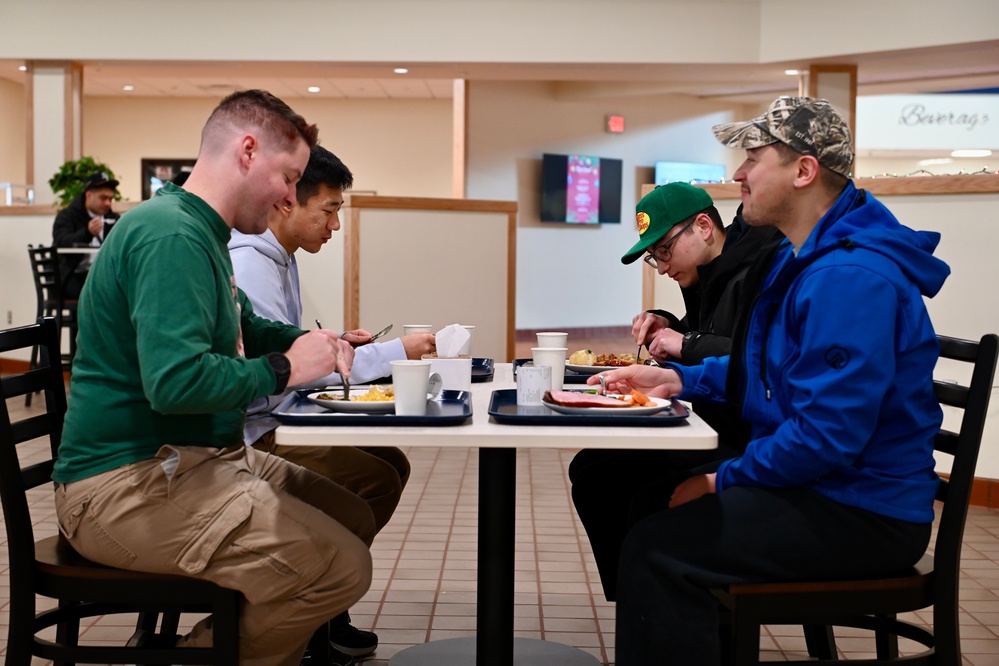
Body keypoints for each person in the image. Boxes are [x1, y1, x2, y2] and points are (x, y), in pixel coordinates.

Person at [601, 96, 951, 665]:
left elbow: (827, 436)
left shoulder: (848, 276)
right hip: (837, 487)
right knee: (646, 504)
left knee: (655, 548)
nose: (738, 174)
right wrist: (681, 380)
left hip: (865, 510)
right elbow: (772, 372)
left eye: (754, 158)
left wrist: (724, 480)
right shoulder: (809, 260)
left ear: (804, 171)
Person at [52, 89, 376, 666]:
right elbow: (175, 385)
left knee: (350, 514)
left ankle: (249, 635)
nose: (289, 196)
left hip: (189, 459)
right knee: (339, 568)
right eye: (288, 177)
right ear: (248, 151)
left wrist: (304, 342)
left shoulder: (201, 228)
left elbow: (245, 325)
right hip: (122, 482)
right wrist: (284, 369)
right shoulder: (170, 235)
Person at [229, 144, 435, 661]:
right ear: (286, 203)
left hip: (267, 416)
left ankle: (325, 597)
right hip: (250, 432)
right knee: (373, 477)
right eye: (329, 211)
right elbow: (287, 371)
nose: (334, 227)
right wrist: (391, 354)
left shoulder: (277, 258)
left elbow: (286, 345)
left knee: (388, 462)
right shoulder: (250, 264)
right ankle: (319, 604)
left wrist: (339, 342)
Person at [568, 183, 782, 601]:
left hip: (745, 434)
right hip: (715, 420)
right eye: (655, 257)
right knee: (594, 469)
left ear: (703, 226)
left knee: (628, 491)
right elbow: (709, 331)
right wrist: (666, 322)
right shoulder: (713, 271)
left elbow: (756, 355)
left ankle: (658, 603)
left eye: (663, 251)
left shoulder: (757, 269)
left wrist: (685, 344)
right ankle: (640, 606)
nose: (662, 267)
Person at [51, 171, 120, 297]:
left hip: (103, 275)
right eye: (103, 198)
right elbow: (61, 242)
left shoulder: (113, 218)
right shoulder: (68, 216)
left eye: (110, 199)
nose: (108, 203)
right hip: (72, 276)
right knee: (100, 292)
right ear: (88, 195)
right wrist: (87, 233)